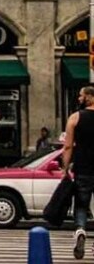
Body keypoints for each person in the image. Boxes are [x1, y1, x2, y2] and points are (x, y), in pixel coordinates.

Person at [63, 85, 94, 259]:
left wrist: (65, 167)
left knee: (82, 205)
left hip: (83, 168)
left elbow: (68, 146)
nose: (79, 98)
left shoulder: (75, 117)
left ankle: (80, 230)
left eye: (81, 96)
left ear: (90, 97)